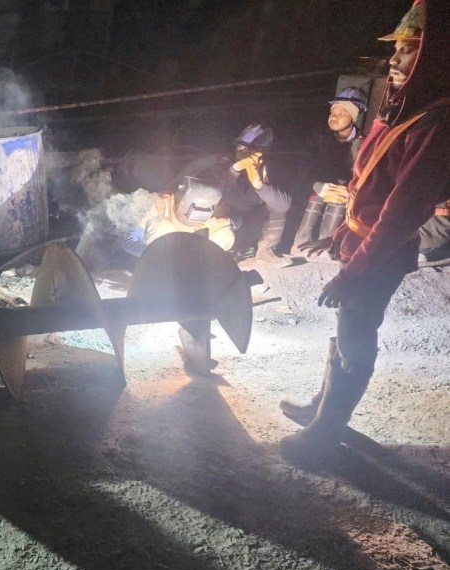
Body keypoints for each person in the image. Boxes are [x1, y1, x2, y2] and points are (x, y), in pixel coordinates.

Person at [281, 0, 450, 453]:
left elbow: (400, 212)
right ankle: (323, 408)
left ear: (433, 58)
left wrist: (351, 270)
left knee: (357, 332)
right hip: (363, 243)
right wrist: (338, 234)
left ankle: (325, 433)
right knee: (347, 326)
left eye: (408, 51)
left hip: (381, 253)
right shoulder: (401, 110)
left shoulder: (435, 124)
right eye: (395, 51)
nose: (393, 60)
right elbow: (368, 185)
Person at [179, 124, 293, 266]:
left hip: (245, 230)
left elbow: (283, 206)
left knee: (273, 202)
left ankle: (265, 251)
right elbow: (215, 193)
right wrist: (235, 170)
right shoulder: (222, 164)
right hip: (217, 228)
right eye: (241, 150)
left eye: (251, 152)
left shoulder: (266, 171)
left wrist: (260, 185)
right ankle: (213, 254)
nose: (245, 155)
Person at [292, 87, 369, 254]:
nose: (335, 116)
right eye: (333, 112)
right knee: (317, 196)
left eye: (342, 114)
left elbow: (365, 176)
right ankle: (300, 244)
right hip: (318, 188)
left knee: (339, 195)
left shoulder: (364, 145)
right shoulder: (318, 139)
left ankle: (327, 244)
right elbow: (303, 168)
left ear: (354, 118)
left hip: (344, 195)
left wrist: (348, 189)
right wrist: (315, 185)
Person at [121, 176, 235, 257]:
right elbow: (129, 241)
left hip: (197, 256)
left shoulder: (215, 205)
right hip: (165, 256)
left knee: (224, 234)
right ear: (181, 201)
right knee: (161, 226)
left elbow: (237, 222)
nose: (195, 220)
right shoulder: (161, 203)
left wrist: (226, 221)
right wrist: (151, 256)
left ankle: (203, 273)